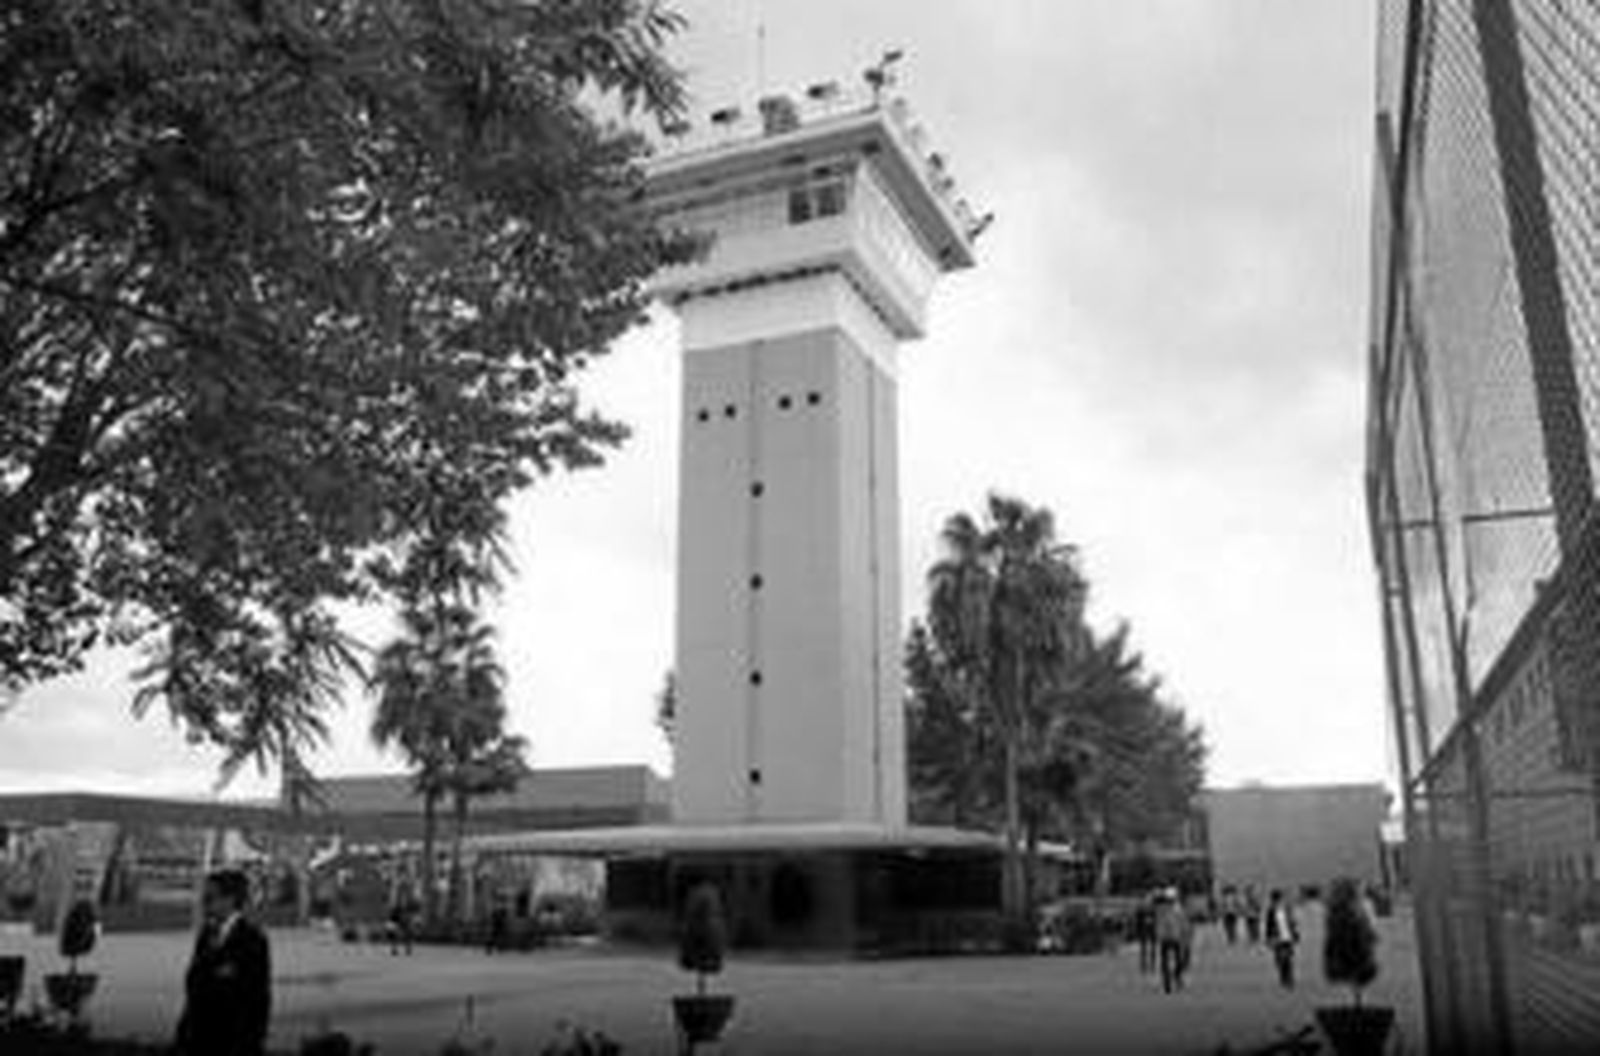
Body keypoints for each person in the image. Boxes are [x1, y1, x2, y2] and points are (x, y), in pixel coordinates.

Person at [175, 868, 272, 1056]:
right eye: (204, 897)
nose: (204, 903)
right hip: (196, 1042)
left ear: (230, 900)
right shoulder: (206, 936)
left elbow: (257, 1002)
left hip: (233, 1044)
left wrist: (249, 1045)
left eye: (210, 897)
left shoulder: (253, 940)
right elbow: (194, 988)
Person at [1154, 888, 1193, 994]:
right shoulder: (1165, 909)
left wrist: (1186, 934)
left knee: (1174, 961)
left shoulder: (1172, 909)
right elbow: (1183, 923)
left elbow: (1183, 923)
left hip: (1171, 937)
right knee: (1171, 961)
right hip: (1170, 937)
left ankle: (1173, 979)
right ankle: (1170, 981)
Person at [1263, 888, 1300, 990]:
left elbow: (1293, 922)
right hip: (1277, 938)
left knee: (1288, 959)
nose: (1276, 901)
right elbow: (1268, 926)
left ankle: (1290, 979)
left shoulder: (1287, 909)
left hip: (1287, 937)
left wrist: (1296, 934)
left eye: (1277, 899)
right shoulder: (1271, 911)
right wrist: (1268, 938)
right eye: (1275, 900)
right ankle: (1284, 978)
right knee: (1279, 960)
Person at [1132, 892, 1158, 974]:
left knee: (1152, 948)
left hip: (1151, 929)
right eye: (1147, 898)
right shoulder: (1140, 908)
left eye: (1149, 898)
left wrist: (1152, 921)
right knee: (1144, 949)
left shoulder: (1153, 908)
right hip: (1144, 929)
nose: (1148, 900)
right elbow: (1137, 918)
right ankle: (1144, 965)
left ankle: (1152, 965)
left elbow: (1157, 918)